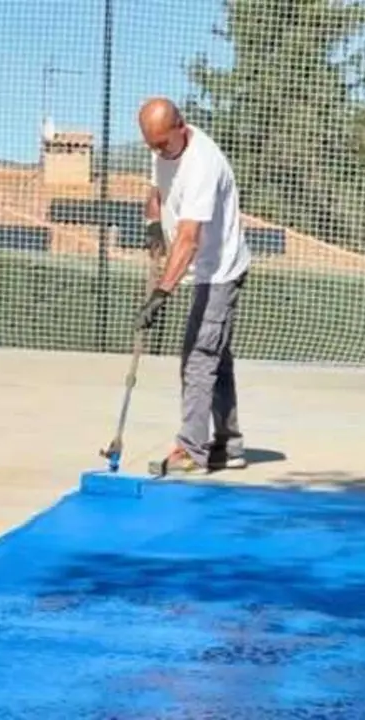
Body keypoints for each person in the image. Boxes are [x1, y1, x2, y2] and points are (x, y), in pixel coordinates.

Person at [134, 97, 252, 474]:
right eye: (151, 145)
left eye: (162, 144)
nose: (157, 152)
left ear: (180, 128)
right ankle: (228, 445)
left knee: (199, 355)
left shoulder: (203, 164)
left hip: (219, 270)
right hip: (201, 269)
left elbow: (188, 238)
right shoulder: (162, 149)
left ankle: (192, 449)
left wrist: (161, 293)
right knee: (217, 354)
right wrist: (153, 224)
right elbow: (156, 193)